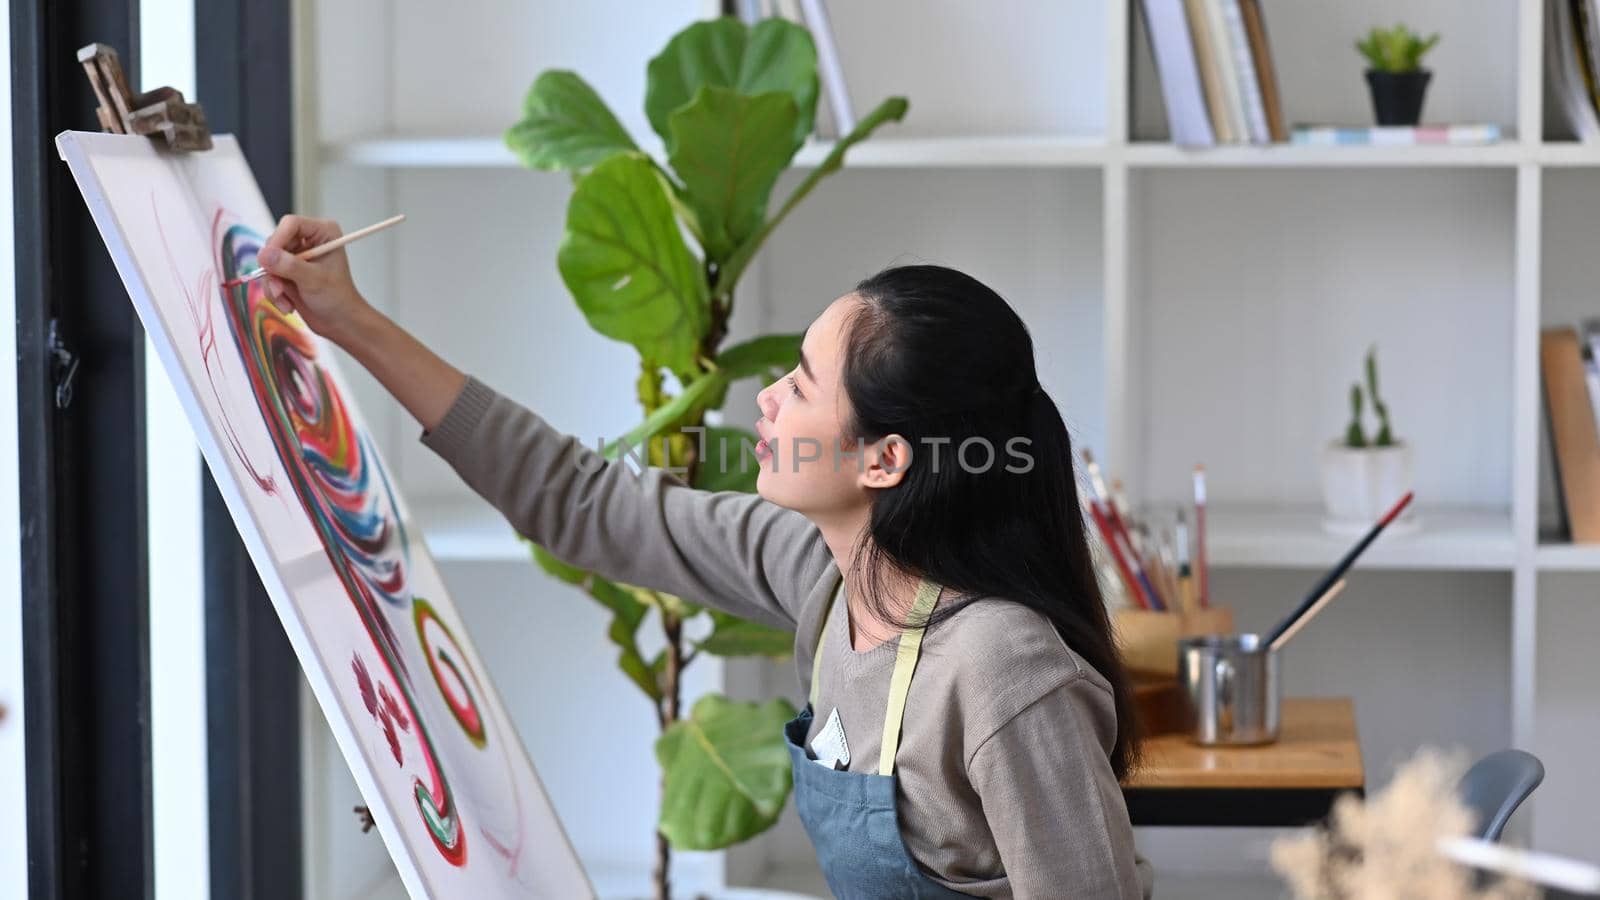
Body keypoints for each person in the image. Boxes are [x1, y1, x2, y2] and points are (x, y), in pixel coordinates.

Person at [258, 215, 1155, 899]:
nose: (766, 400)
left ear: (884, 460)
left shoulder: (1002, 672)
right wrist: (352, 321)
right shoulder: (826, 574)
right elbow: (579, 502)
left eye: (802, 384)